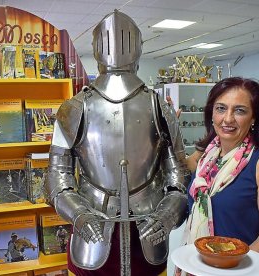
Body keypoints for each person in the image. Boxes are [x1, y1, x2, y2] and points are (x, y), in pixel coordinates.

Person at [45, 9, 189, 276]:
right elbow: (56, 176)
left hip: (148, 222)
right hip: (93, 223)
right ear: (139, 47)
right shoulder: (75, 108)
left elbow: (177, 173)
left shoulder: (158, 106)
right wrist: (79, 214)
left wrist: (167, 215)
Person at [172, 77, 259, 274]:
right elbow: (180, 166)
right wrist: (170, 133)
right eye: (220, 108)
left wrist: (232, 270)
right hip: (198, 266)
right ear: (211, 113)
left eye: (239, 110)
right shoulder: (206, 154)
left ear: (254, 118)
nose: (227, 119)